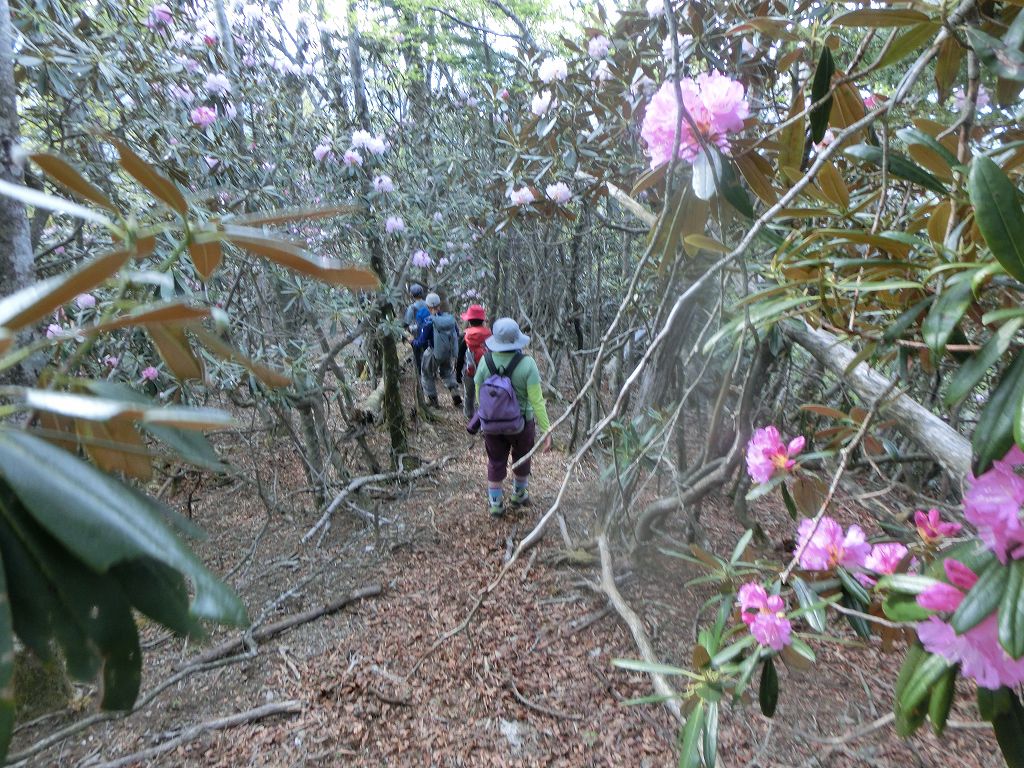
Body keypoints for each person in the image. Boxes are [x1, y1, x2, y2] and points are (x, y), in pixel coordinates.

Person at [473, 318, 551, 517]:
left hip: (491, 425)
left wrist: (488, 414)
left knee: (495, 462)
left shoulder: (485, 361)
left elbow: (478, 390)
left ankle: (496, 504)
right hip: (522, 424)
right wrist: (546, 429)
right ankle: (518, 495)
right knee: (522, 458)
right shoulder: (527, 364)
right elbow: (537, 400)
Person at [411, 292, 462, 408]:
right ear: (439, 306)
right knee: (447, 372)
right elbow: (457, 333)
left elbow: (421, 342)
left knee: (426, 373)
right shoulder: (449, 319)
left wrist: (412, 341)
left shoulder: (429, 322)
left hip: (434, 351)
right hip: (447, 352)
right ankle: (455, 392)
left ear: (428, 307)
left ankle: (433, 400)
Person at [456, 304, 491, 419]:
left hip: (469, 371)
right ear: (483, 321)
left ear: (469, 321)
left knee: (469, 395)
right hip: (487, 371)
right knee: (485, 395)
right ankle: (485, 417)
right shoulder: (490, 335)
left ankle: (469, 415)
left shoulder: (465, 336)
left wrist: (457, 374)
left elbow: (460, 356)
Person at [404, 284, 428, 375]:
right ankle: (430, 373)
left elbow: (407, 322)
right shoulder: (428, 304)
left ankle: (420, 375)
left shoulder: (412, 308)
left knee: (418, 357)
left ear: (412, 295)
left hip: (417, 336)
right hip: (429, 334)